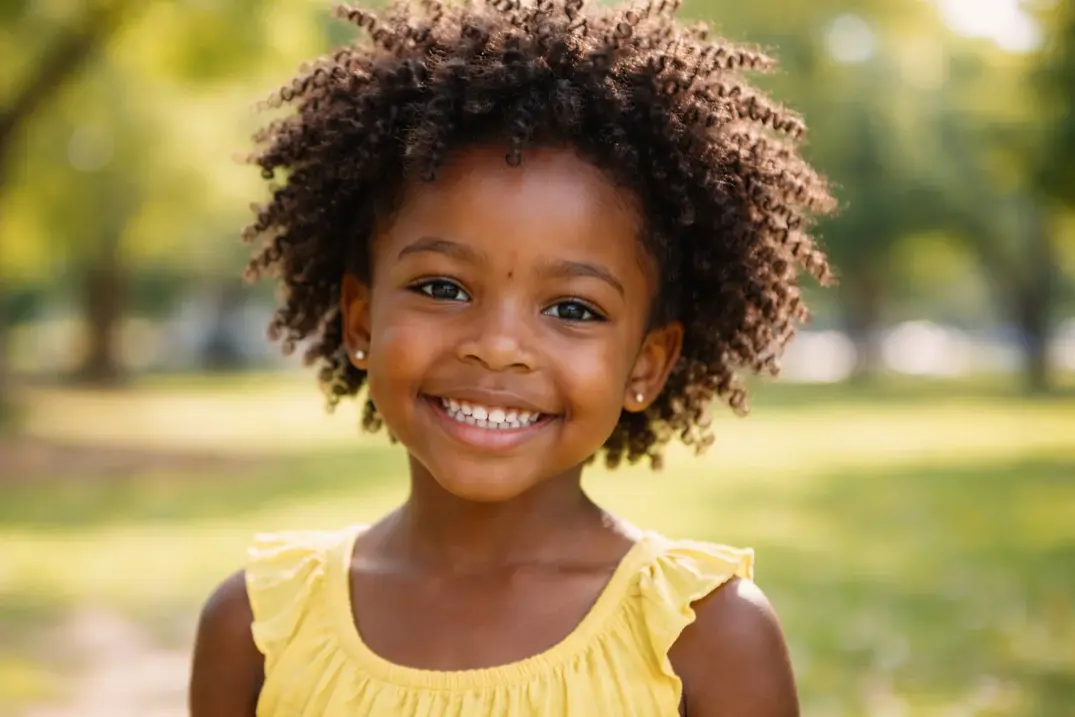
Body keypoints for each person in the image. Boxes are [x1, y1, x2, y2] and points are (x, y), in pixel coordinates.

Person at [189, 0, 836, 714]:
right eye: (441, 287)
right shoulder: (257, 628)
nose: (498, 346)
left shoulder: (705, 635)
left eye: (572, 308)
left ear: (647, 364)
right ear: (360, 318)